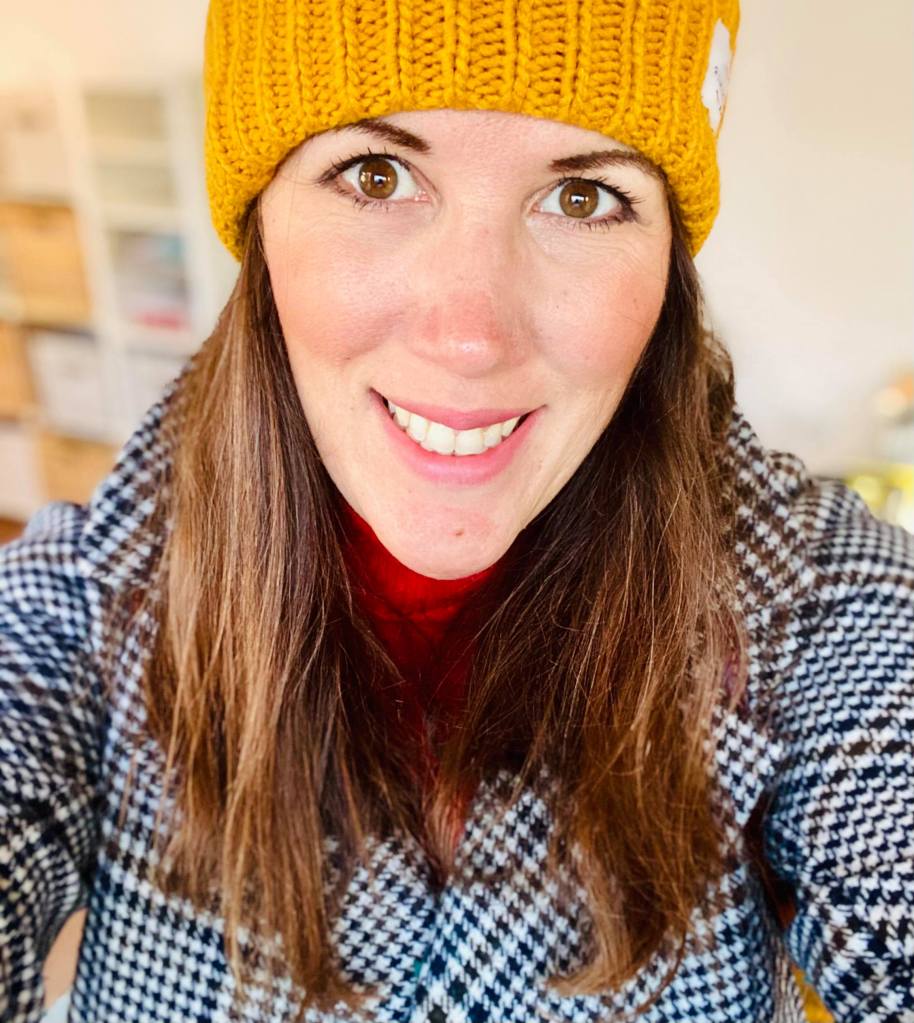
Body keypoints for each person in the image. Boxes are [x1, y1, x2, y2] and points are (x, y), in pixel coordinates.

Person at [2, 1, 912, 1021]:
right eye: (375, 177)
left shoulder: (825, 609)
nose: (471, 337)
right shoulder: (84, 607)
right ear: (260, 222)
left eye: (580, 197)